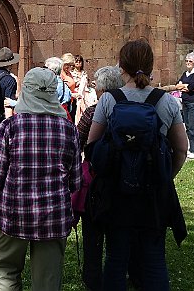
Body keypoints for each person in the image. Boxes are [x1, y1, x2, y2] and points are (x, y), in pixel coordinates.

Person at [86, 40, 188, 290]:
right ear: (151, 66)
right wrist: (166, 175)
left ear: (121, 66)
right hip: (153, 191)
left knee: (115, 259)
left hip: (116, 191)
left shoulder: (109, 99)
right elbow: (182, 148)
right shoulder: (166, 101)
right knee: (154, 260)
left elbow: (92, 146)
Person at [0, 67, 81, 291]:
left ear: (25, 92)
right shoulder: (68, 129)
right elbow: (75, 181)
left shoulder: (10, 127)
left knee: (7, 273)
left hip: (13, 213)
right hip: (53, 216)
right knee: (47, 282)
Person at [75, 65, 124, 291]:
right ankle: (119, 280)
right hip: (125, 181)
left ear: (102, 90)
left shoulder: (92, 113)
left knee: (93, 240)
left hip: (95, 183)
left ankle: (93, 281)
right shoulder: (130, 111)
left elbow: (76, 142)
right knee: (120, 240)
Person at [173, 52, 194, 159]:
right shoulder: (185, 73)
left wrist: (185, 86)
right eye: (186, 61)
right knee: (188, 126)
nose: (188, 63)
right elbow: (178, 85)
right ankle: (193, 148)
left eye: (190, 61)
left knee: (193, 127)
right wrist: (184, 86)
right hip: (185, 102)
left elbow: (190, 87)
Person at [73, 54, 94, 123]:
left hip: (85, 92)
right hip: (77, 92)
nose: (78, 63)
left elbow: (87, 84)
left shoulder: (84, 73)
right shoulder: (72, 73)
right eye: (76, 61)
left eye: (80, 61)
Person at [60, 53, 79, 122]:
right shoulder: (60, 74)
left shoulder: (68, 73)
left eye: (71, 65)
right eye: (67, 64)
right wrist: (72, 94)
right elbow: (60, 90)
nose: (69, 67)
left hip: (72, 101)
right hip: (64, 103)